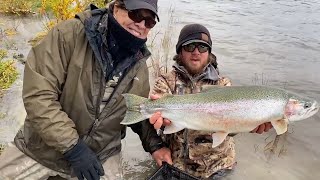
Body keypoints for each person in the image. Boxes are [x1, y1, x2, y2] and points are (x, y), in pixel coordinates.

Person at [0, 0, 171, 179]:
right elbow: (38, 97)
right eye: (136, 14)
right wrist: (74, 149)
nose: (141, 24)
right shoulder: (68, 34)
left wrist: (156, 146)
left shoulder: (140, 65)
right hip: (41, 149)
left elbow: (137, 111)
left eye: (149, 21)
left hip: (101, 154)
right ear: (116, 7)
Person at [149, 24, 273, 179]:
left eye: (202, 47)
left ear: (209, 53)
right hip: (176, 163)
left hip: (219, 165)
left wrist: (251, 123)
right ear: (180, 50)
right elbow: (155, 120)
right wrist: (158, 118)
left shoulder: (223, 84)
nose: (196, 52)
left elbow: (231, 128)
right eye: (190, 46)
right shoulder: (165, 81)